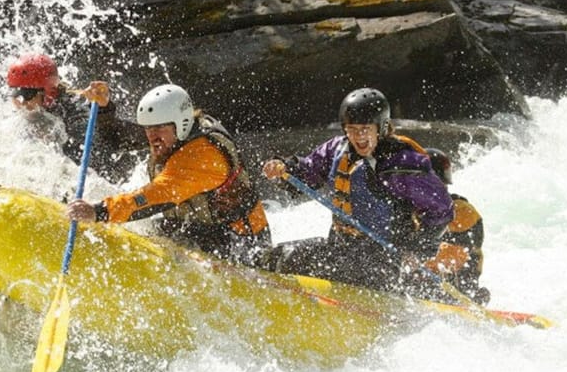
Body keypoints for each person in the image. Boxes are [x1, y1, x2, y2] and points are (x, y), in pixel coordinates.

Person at [260, 87, 454, 297]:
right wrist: (284, 168)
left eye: (365, 129)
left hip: (380, 261)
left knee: (290, 259)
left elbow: (442, 210)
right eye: (352, 129)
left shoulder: (401, 164)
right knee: (275, 257)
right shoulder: (336, 150)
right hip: (340, 247)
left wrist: (416, 247)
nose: (358, 136)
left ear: (380, 128)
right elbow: (308, 171)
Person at [67, 83, 271, 266]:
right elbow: (117, 139)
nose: (152, 136)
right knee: (158, 229)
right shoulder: (170, 133)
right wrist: (104, 109)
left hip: (242, 245)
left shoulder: (203, 155)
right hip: (205, 231)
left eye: (157, 128)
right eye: (148, 128)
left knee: (162, 231)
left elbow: (158, 194)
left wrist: (100, 211)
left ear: (179, 123)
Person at [5, 53, 145, 183]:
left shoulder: (75, 112)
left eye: (26, 93)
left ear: (47, 93)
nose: (21, 102)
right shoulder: (24, 115)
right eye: (15, 93)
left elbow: (95, 159)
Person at [424, 148, 491, 304]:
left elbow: (465, 249)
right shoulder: (407, 206)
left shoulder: (462, 210)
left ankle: (470, 298)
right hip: (423, 279)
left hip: (456, 283)